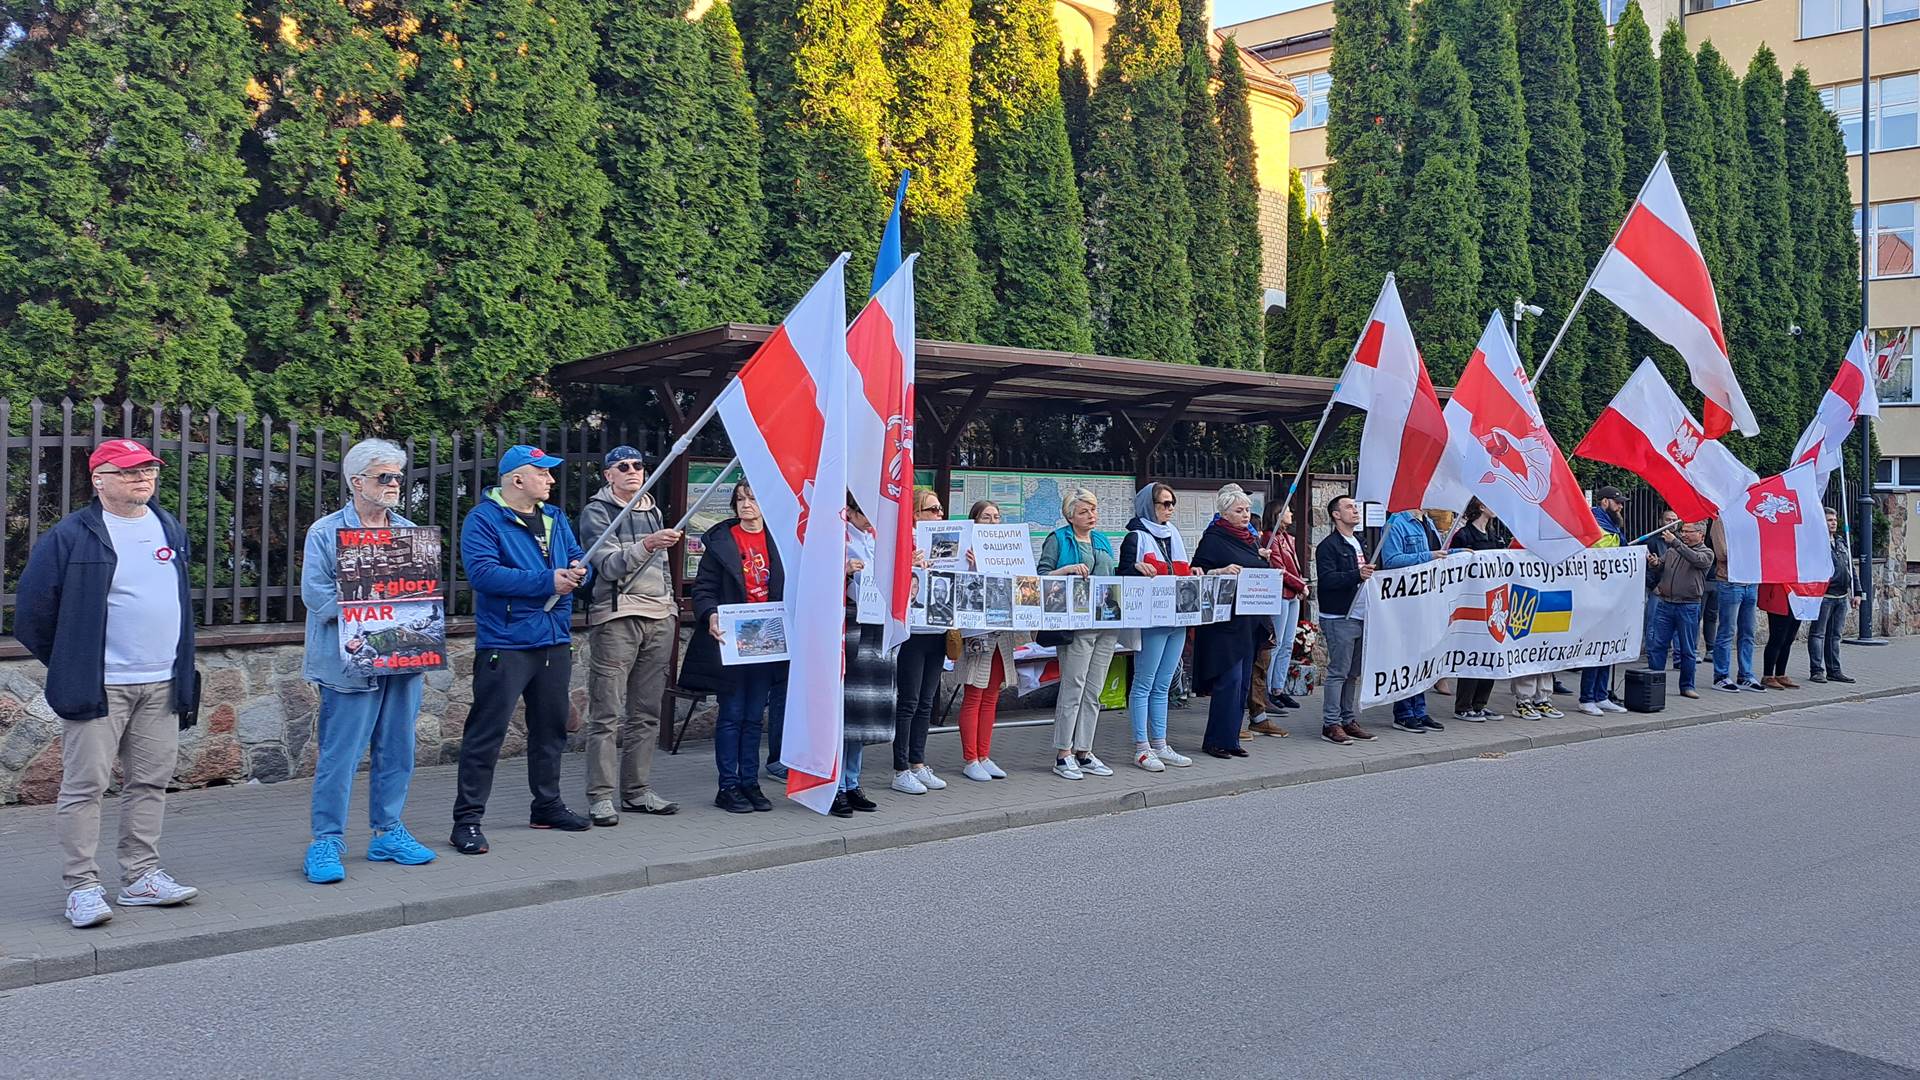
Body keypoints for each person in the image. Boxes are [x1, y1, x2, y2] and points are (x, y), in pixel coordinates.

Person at [17, 439, 202, 928]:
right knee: (85, 787)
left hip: (161, 680)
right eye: (128, 471)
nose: (142, 477)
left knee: (150, 781)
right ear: (99, 479)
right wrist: (73, 663)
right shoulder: (73, 535)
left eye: (148, 469)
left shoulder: (168, 526)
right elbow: (32, 614)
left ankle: (141, 877)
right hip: (101, 687)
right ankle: (82, 886)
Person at [299, 438, 439, 884]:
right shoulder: (325, 532)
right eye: (385, 477)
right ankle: (326, 840)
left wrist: (413, 611)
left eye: (398, 476)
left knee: (398, 748)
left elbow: (421, 594)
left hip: (403, 657)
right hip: (349, 661)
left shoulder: (409, 532)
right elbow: (316, 594)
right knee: (340, 755)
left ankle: (388, 831)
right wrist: (367, 603)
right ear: (357, 482)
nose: (395, 483)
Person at [453, 445, 593, 853]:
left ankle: (546, 805)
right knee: (487, 733)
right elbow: (483, 574)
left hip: (554, 638)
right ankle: (467, 820)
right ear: (517, 479)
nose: (551, 480)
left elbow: (577, 557)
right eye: (543, 473)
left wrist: (581, 572)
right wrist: (547, 581)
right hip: (507, 641)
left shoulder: (554, 516)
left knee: (550, 728)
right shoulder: (484, 519)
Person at [574, 446, 683, 827]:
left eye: (639, 465)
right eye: (624, 466)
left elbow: (664, 569)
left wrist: (670, 605)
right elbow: (605, 565)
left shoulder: (651, 508)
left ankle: (637, 791)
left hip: (659, 616)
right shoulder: (597, 511)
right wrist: (648, 545)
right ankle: (601, 797)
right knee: (606, 713)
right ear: (608, 475)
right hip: (618, 617)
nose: (634, 471)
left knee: (647, 712)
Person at [681, 482, 787, 814]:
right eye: (740, 499)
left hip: (768, 637)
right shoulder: (720, 542)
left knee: (755, 715)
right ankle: (728, 785)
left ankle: (749, 781)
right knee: (732, 714)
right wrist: (710, 615)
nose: (746, 505)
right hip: (732, 638)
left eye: (753, 499)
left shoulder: (780, 539)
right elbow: (704, 589)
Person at [1041, 487, 1121, 779]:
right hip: (1075, 625)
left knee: (1094, 689)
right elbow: (1040, 576)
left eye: (1094, 510)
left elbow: (1111, 577)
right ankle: (1063, 753)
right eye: (1084, 511)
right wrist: (1066, 571)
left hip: (1105, 623)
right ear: (1070, 515)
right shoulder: (1058, 539)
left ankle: (1084, 751)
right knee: (1073, 687)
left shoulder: (1102, 539)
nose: (1091, 515)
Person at [1119, 484, 1195, 771]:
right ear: (1149, 505)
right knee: (1144, 683)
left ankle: (1161, 744)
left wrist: (1195, 571)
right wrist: (1135, 568)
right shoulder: (1135, 537)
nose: (1170, 508)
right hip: (1152, 619)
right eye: (1164, 503)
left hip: (1177, 618)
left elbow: (1182, 569)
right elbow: (1122, 574)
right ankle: (1141, 747)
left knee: (1163, 684)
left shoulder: (1173, 534)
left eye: (1172, 503)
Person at [1192, 486, 1270, 758]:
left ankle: (1231, 739)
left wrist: (1263, 560)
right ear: (1224, 513)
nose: (1246, 515)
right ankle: (1215, 740)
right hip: (1224, 624)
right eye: (1239, 510)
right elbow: (1197, 572)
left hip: (1248, 621)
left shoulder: (1250, 540)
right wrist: (1220, 571)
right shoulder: (1214, 538)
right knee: (1230, 680)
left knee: (1243, 683)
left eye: (1248, 509)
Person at [832, 500, 893, 816]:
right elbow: (815, 580)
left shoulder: (875, 536)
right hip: (849, 626)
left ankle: (853, 782)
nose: (870, 521)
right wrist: (842, 572)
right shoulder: (835, 536)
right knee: (844, 712)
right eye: (865, 514)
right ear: (851, 512)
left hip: (875, 626)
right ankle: (836, 786)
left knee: (863, 710)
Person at [956, 499, 1021, 782]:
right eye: (986, 517)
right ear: (975, 521)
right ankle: (970, 758)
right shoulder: (966, 551)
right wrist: (973, 566)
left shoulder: (1007, 549)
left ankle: (984, 754)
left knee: (992, 694)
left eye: (996, 517)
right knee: (974, 693)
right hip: (978, 630)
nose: (993, 522)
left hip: (1001, 629)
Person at [891, 487, 949, 794]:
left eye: (940, 510)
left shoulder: (944, 542)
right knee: (909, 700)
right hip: (912, 631)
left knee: (927, 701)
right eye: (932, 510)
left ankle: (917, 762)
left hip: (937, 629)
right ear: (916, 513)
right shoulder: (904, 541)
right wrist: (909, 563)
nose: (939, 514)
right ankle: (900, 768)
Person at [1314, 495, 1377, 745]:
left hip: (1361, 614)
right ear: (1335, 515)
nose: (1355, 510)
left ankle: (1347, 718)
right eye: (1349, 507)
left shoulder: (1360, 542)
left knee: (1352, 672)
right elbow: (1327, 580)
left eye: (1356, 506)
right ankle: (1331, 723)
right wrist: (1356, 575)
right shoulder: (1329, 546)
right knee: (1338, 672)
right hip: (1340, 616)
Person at [1379, 507, 1448, 732]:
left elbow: (1439, 555)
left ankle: (1420, 710)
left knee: (1423, 656)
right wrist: (1427, 556)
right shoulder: (1396, 523)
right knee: (1407, 657)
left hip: (1426, 601)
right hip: (1406, 601)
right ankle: (1403, 712)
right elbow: (1391, 560)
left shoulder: (1427, 523)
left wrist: (1460, 553)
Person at [1245, 500, 1304, 735]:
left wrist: (1300, 585)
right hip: (1280, 593)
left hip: (1294, 593)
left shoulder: (1287, 538)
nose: (1290, 514)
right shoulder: (1269, 538)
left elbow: (1295, 566)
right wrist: (1300, 584)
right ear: (1278, 513)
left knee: (1288, 643)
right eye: (1287, 511)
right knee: (1275, 643)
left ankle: (1278, 688)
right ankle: (1266, 691)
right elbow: (1278, 567)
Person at [1446, 498, 1506, 721]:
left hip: (1493, 600)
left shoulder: (1493, 535)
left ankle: (1481, 704)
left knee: (1491, 650)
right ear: (1481, 507)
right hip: (1473, 602)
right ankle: (1463, 705)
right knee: (1473, 652)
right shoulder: (1464, 535)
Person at [1646, 519, 1712, 699]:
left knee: (1687, 649)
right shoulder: (1673, 551)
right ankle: (1654, 683)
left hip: (1688, 605)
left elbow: (1696, 559)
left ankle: (1687, 686)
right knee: (1658, 646)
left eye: (1688, 531)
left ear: (1701, 535)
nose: (1683, 535)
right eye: (1683, 531)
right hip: (1666, 603)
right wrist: (1654, 563)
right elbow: (1661, 566)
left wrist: (1675, 542)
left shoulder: (1706, 553)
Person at [1578, 486, 1630, 715]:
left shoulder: (1614, 526)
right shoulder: (1591, 521)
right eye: (1617, 502)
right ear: (1604, 502)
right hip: (1592, 591)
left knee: (1607, 644)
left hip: (1612, 592)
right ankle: (1587, 697)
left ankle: (1601, 695)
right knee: (1594, 646)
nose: (1620, 506)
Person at [1708, 517, 1765, 693]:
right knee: (1727, 630)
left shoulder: (1752, 519)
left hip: (1751, 581)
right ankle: (1721, 675)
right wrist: (1750, 551)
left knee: (1748, 631)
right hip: (1730, 581)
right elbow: (1722, 553)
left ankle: (1745, 674)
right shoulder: (1721, 520)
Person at [1808, 508, 1856, 684]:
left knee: (1835, 636)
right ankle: (1816, 670)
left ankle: (1834, 670)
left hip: (1841, 595)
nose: (1833, 523)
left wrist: (1856, 591)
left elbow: (1850, 568)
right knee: (1818, 634)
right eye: (1829, 520)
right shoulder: (1818, 543)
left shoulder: (1841, 542)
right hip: (1825, 595)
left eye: (1835, 519)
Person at [1645, 509, 1679, 657]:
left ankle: (1676, 653)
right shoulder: (1652, 541)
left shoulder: (1681, 542)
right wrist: (1653, 586)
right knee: (1653, 621)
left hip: (1677, 590)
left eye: (1674, 520)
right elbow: (1647, 566)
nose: (1671, 524)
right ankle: (1651, 652)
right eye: (1668, 520)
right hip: (1658, 589)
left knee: (1677, 623)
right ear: (1661, 522)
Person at [1758, 584, 1805, 689]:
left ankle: (1780, 674)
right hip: (1778, 595)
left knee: (1789, 639)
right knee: (1777, 639)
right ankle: (1768, 675)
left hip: (1796, 595)